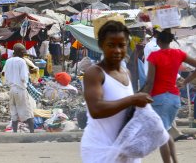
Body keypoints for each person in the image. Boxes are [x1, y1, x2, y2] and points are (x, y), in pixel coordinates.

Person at [81, 21, 153, 163]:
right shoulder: (95, 73)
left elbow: (125, 110)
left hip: (125, 148)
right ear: (101, 45)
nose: (117, 50)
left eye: (122, 45)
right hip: (100, 149)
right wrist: (132, 100)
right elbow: (96, 110)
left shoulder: (126, 72)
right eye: (111, 45)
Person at [142, 28, 196, 163]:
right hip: (174, 99)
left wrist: (142, 96)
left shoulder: (154, 56)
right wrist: (185, 81)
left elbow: (150, 82)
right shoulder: (178, 53)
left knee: (161, 136)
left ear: (158, 41)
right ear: (170, 41)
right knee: (165, 133)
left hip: (159, 99)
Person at [2, 43, 34, 133]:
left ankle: (15, 132)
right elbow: (23, 77)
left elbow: (4, 75)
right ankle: (32, 132)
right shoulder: (21, 61)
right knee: (27, 111)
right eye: (23, 52)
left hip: (11, 89)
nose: (24, 54)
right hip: (20, 89)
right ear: (20, 52)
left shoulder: (8, 61)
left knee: (14, 112)